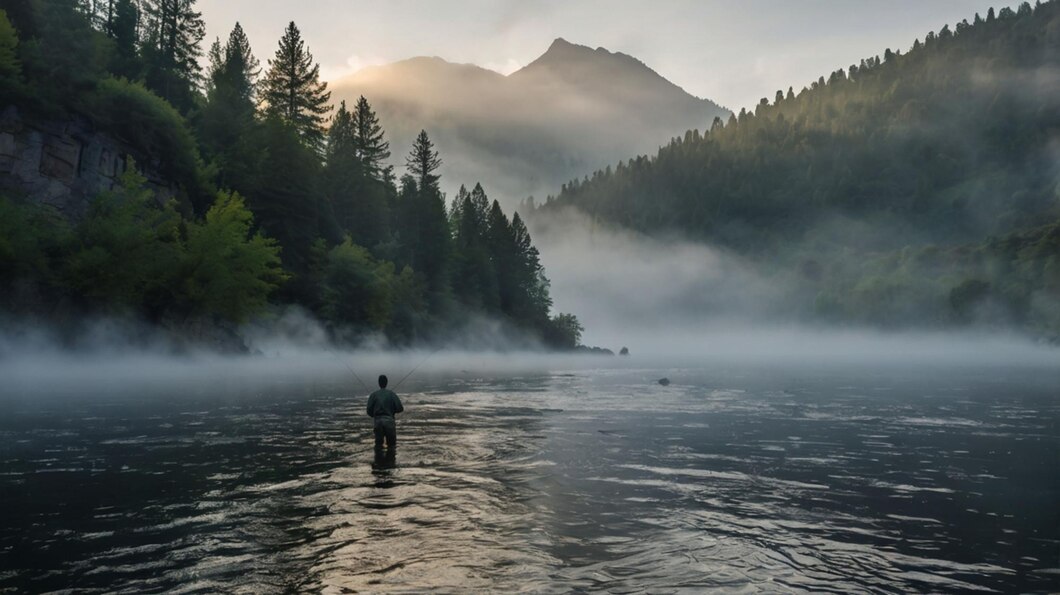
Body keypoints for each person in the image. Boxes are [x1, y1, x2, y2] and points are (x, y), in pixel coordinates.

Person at [366, 374, 404, 453]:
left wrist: (374, 415)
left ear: (379, 383)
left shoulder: (373, 395)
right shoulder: (392, 394)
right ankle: (391, 463)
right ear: (386, 383)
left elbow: (369, 411)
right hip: (389, 421)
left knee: (378, 445)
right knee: (392, 445)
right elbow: (400, 408)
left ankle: (378, 462)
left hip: (378, 422)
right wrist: (392, 411)